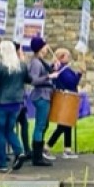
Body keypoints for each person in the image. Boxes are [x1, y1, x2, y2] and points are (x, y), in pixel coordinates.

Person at [0, 40, 31, 173]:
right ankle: (19, 151)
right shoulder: (22, 66)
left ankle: (1, 162)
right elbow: (28, 79)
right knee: (10, 130)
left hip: (1, 102)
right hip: (17, 103)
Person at [46, 48, 84, 159]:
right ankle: (47, 146)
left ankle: (67, 148)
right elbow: (71, 82)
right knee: (63, 124)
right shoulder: (61, 69)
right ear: (62, 57)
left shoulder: (63, 68)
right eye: (67, 56)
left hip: (68, 97)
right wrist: (79, 74)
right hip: (65, 97)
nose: (69, 58)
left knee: (67, 123)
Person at [28, 36, 58, 166]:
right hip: (41, 95)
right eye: (45, 46)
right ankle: (37, 156)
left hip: (45, 94)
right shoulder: (35, 62)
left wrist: (52, 67)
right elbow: (34, 80)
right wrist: (49, 76)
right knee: (40, 125)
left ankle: (38, 153)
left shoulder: (40, 61)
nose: (47, 48)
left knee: (43, 125)